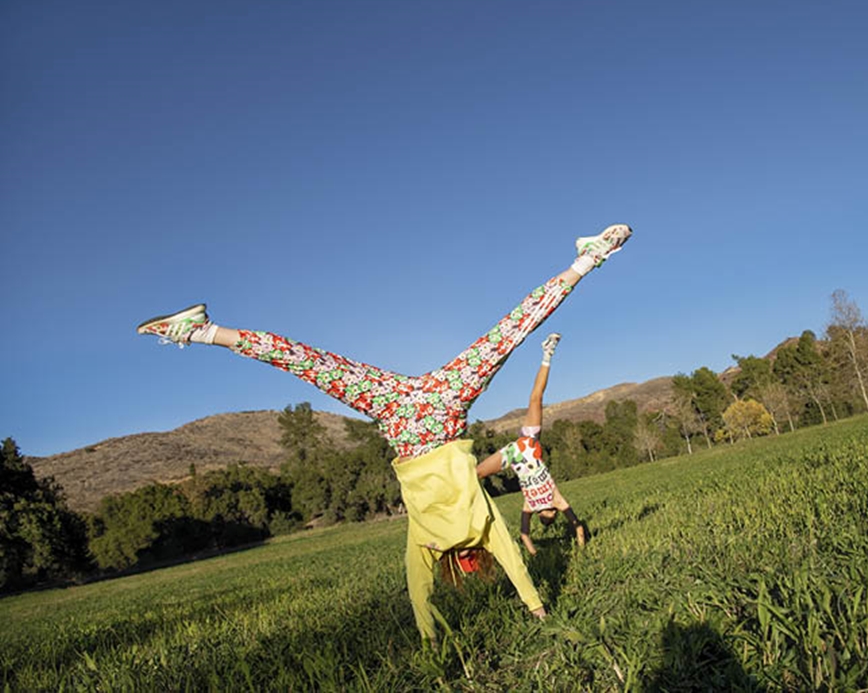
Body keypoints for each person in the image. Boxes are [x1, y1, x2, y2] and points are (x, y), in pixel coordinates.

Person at [136, 224, 632, 640]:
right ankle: (202, 332)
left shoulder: (472, 528)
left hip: (435, 405)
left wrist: (535, 610)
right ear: (454, 563)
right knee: (307, 362)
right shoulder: (429, 539)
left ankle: (588, 260)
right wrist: (449, 633)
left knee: (508, 334)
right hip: (408, 412)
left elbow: (504, 567)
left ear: (469, 561)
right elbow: (421, 592)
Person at [476, 332, 587, 556]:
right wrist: (581, 546)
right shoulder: (556, 500)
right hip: (528, 444)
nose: (552, 515)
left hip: (512, 456)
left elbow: (524, 534)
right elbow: (578, 526)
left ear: (541, 515)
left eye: (548, 518)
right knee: (536, 398)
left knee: (475, 474)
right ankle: (548, 353)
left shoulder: (531, 506)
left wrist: (534, 553)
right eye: (553, 516)